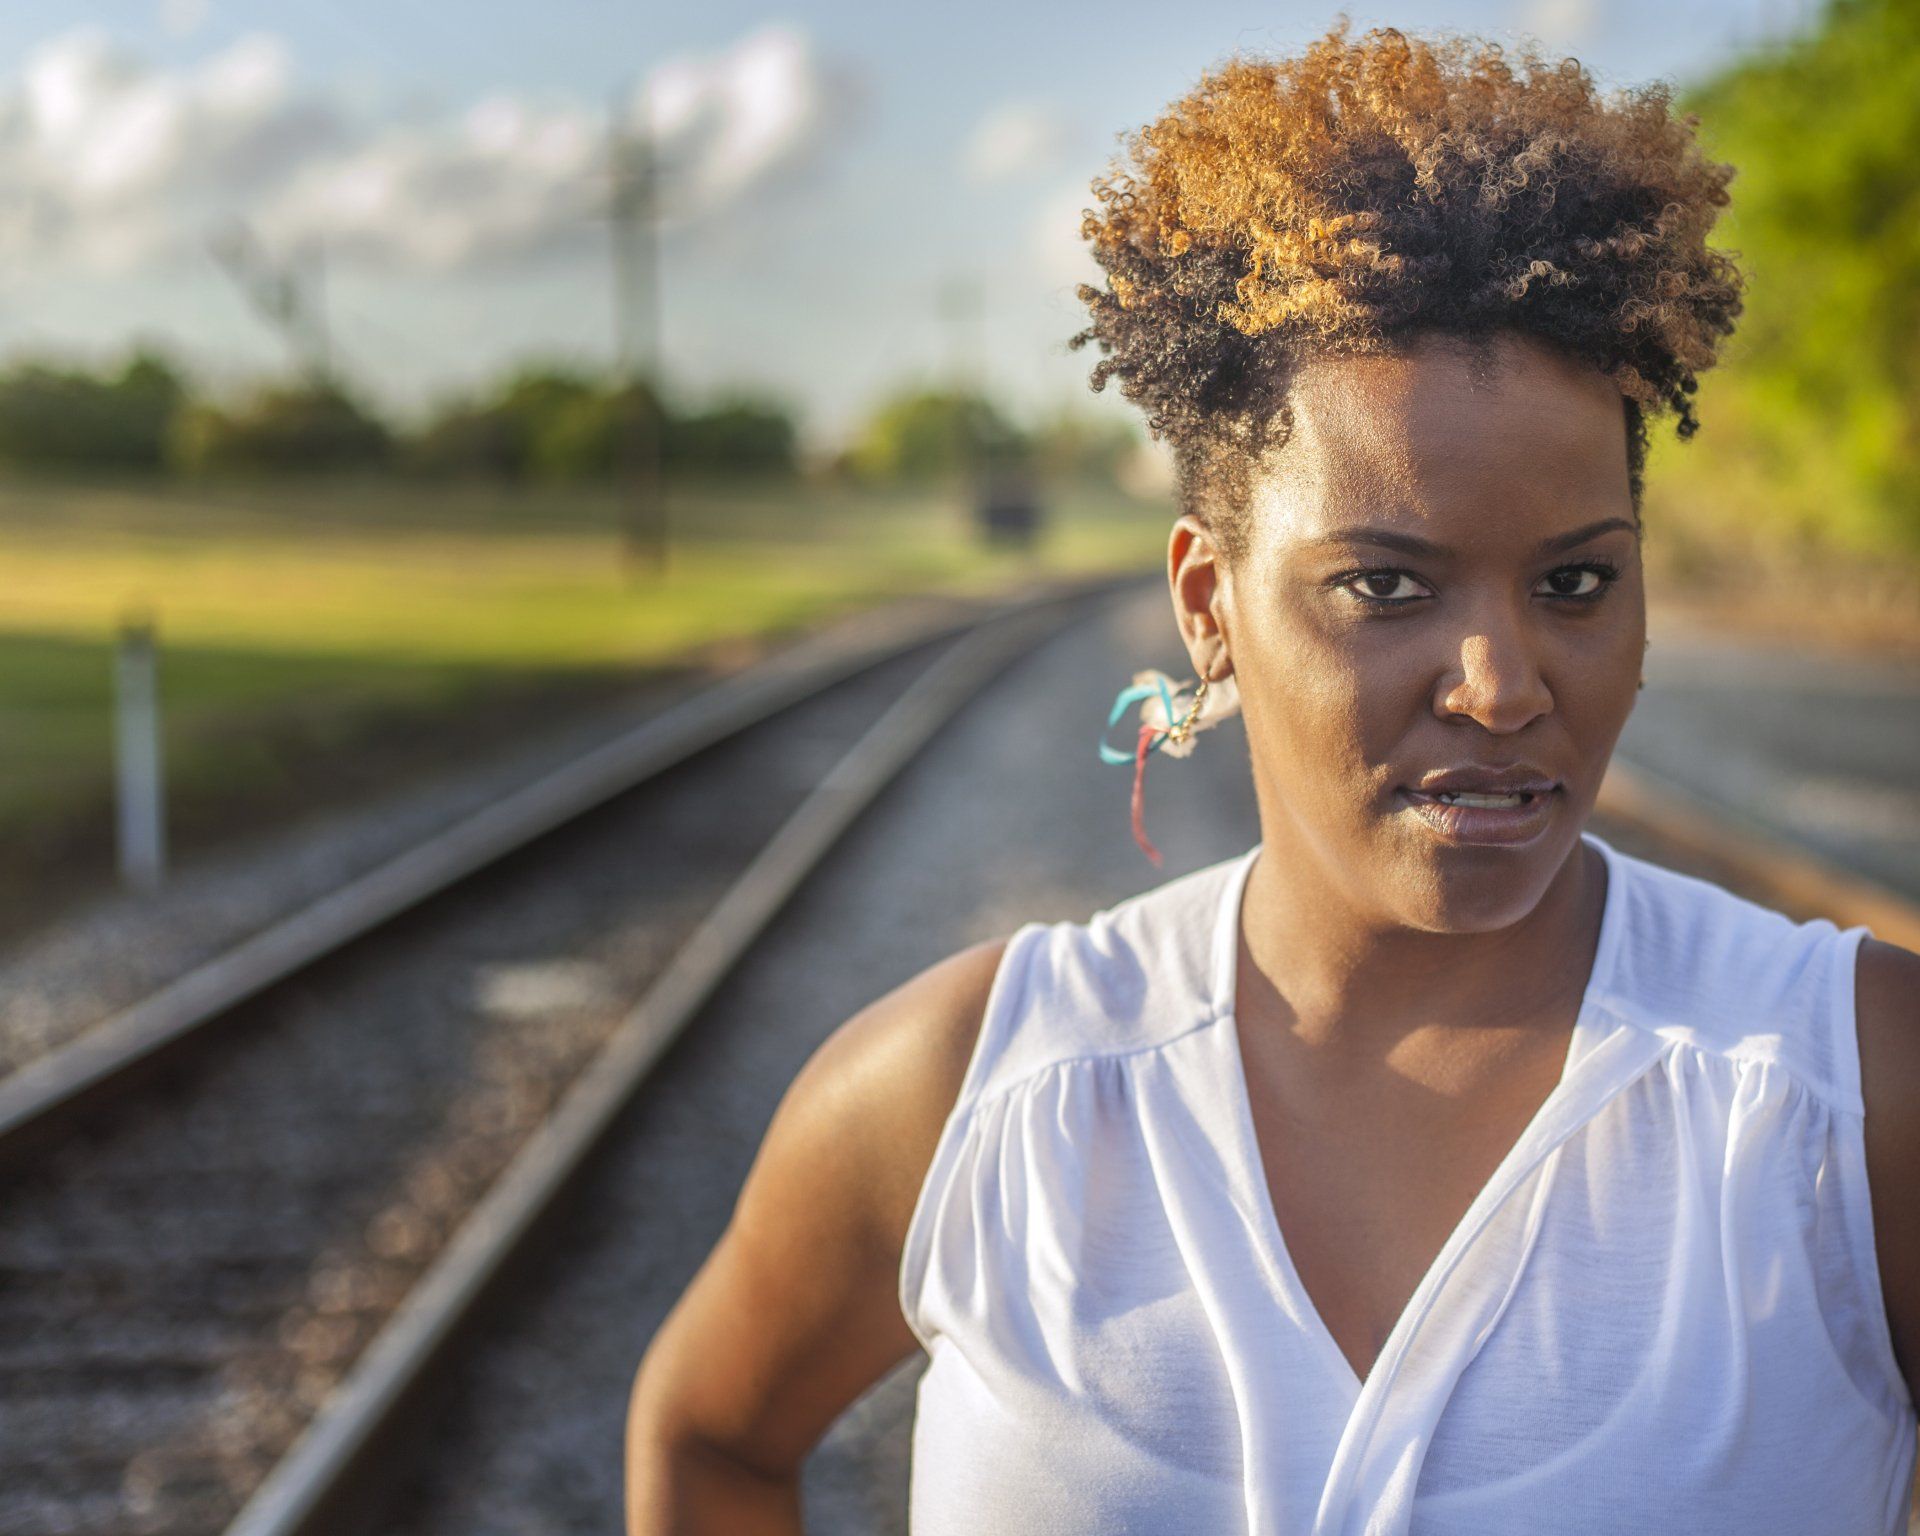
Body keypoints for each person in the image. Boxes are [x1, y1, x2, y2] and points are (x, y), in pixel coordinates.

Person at [626, 19, 1920, 1533]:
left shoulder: (1855, 1098)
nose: (1502, 685)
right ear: (1207, 605)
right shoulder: (960, 1099)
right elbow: (711, 1437)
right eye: (1385, 587)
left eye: (1575, 584)